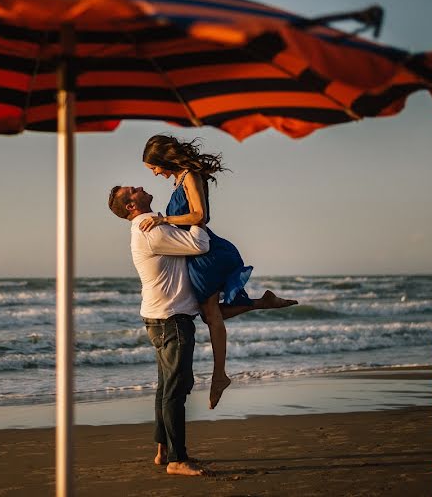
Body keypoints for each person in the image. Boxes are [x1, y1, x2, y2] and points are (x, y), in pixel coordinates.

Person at [141, 134, 298, 409]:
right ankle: (262, 303)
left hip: (208, 255)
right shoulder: (180, 179)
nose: (155, 173)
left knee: (212, 317)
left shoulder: (190, 176)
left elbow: (199, 216)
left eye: (153, 167)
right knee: (208, 314)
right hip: (197, 254)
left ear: (162, 159)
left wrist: (163, 219)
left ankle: (219, 375)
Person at [108, 184, 210, 476]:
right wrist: (198, 218)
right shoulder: (150, 229)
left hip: (159, 318)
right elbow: (200, 245)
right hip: (172, 319)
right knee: (175, 390)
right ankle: (178, 460)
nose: (141, 187)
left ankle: (162, 450)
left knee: (166, 387)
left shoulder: (148, 227)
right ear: (131, 205)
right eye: (134, 190)